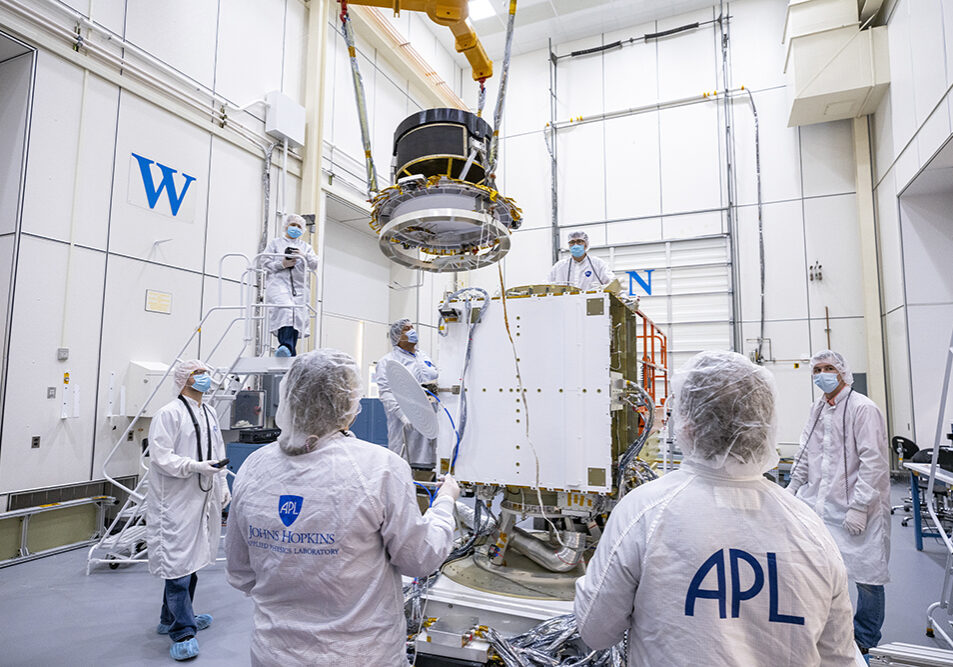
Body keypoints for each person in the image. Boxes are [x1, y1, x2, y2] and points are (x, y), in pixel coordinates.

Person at [574, 351, 858, 666]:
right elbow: (840, 656)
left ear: (688, 425)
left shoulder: (644, 511)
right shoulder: (810, 526)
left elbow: (596, 632)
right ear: (763, 424)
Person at [225, 348, 459, 665]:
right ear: (346, 401)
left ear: (291, 396)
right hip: (360, 655)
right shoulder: (380, 468)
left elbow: (241, 573)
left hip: (275, 654)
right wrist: (445, 503)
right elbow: (420, 560)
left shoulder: (254, 467)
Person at [788, 350, 890, 657]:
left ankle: (865, 638)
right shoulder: (817, 409)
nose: (822, 374)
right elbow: (806, 450)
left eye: (828, 368)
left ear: (843, 373)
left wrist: (860, 506)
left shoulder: (863, 409)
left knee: (868, 578)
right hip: (821, 505)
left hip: (860, 508)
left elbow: (873, 461)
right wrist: (792, 487)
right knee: (819, 567)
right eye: (817, 369)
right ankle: (826, 628)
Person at [146, 360, 230, 661]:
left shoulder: (207, 412)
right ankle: (182, 630)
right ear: (184, 379)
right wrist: (193, 466)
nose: (205, 377)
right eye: (198, 373)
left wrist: (221, 485)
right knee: (178, 563)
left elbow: (218, 451)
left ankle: (172, 617)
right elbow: (160, 458)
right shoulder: (168, 414)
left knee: (191, 559)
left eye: (207, 372)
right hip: (176, 500)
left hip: (201, 495)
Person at [374, 318, 439, 470]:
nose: (412, 331)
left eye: (412, 327)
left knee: (431, 460)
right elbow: (386, 393)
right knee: (406, 461)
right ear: (397, 336)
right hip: (405, 421)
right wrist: (403, 415)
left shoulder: (424, 357)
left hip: (431, 415)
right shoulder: (388, 361)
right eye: (406, 329)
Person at [263, 213, 318, 357]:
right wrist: (282, 264)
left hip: (299, 288)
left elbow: (314, 264)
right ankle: (286, 347)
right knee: (286, 310)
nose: (295, 228)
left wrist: (303, 256)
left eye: (299, 226)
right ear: (286, 226)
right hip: (278, 284)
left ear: (303, 230)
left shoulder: (305, 247)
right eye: (292, 225)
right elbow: (264, 262)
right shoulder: (275, 243)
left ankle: (288, 350)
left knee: (296, 315)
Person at [547, 230, 616, 292]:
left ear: (586, 244)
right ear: (569, 246)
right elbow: (547, 285)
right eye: (572, 242)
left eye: (579, 241)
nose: (575, 245)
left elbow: (612, 283)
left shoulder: (598, 264)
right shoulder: (559, 266)